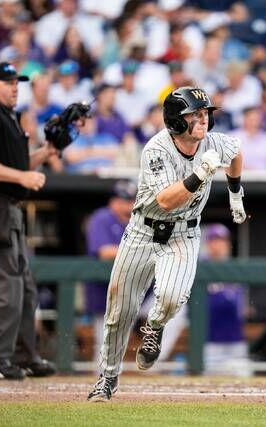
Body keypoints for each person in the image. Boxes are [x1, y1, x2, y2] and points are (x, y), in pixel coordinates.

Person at [87, 86, 246, 401]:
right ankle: (107, 378)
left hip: (184, 234)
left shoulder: (212, 142)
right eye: (195, 115)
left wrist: (235, 191)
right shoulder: (155, 148)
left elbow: (237, 152)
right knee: (120, 310)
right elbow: (166, 199)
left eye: (205, 114)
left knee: (173, 297)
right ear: (176, 120)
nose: (203, 120)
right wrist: (201, 173)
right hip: (143, 232)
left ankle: (155, 327)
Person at [0, 62, 59, 380]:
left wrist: (47, 150)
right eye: (8, 82)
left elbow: (19, 163)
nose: (15, 86)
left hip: (10, 207)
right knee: (5, 287)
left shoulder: (8, 116)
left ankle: (23, 355)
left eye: (17, 82)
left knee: (25, 289)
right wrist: (22, 175)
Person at [84, 180, 137, 360]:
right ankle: (101, 378)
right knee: (106, 343)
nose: (128, 205)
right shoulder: (103, 217)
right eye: (123, 201)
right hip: (105, 291)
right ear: (113, 201)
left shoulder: (140, 219)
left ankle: (155, 363)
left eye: (131, 200)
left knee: (173, 308)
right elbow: (104, 251)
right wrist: (141, 250)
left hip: (137, 291)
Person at [203, 223, 250, 376]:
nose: (218, 245)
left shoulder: (235, 269)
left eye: (222, 240)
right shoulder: (199, 267)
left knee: (244, 379)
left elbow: (242, 306)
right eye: (214, 240)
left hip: (236, 342)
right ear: (207, 244)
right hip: (209, 343)